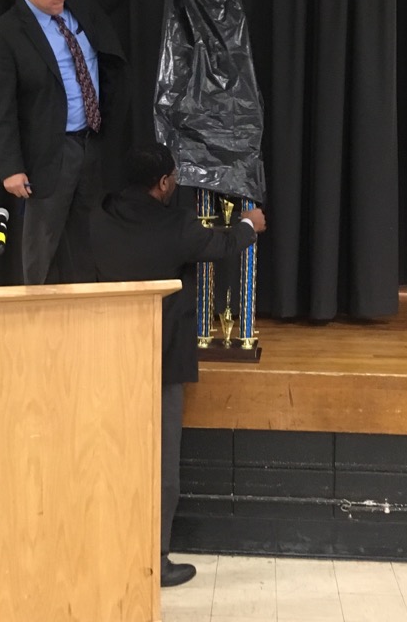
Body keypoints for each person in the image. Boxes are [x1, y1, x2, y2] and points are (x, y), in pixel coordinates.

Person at [90, 143, 267, 587]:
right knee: (162, 463)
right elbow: (221, 244)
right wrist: (249, 225)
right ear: (165, 183)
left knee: (110, 454)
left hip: (108, 357)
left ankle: (107, 546)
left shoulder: (100, 216)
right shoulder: (177, 226)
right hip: (161, 358)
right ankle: (156, 558)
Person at [0, 0, 187, 284]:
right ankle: (35, 322)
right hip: (49, 150)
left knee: (87, 238)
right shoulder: (6, 34)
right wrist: (11, 167)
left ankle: (82, 323)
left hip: (91, 143)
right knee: (42, 243)